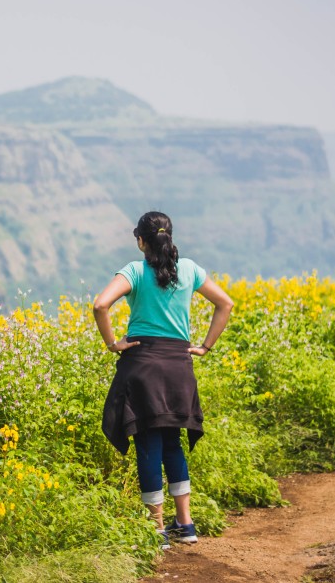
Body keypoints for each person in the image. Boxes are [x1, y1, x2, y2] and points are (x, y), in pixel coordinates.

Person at [93, 211, 233, 549]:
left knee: (148, 445)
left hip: (142, 365)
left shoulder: (135, 270)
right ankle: (185, 525)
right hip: (178, 366)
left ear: (141, 240)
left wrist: (114, 344)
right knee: (172, 443)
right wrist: (205, 347)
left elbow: (100, 305)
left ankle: (156, 530)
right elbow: (225, 304)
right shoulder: (190, 269)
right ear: (168, 236)